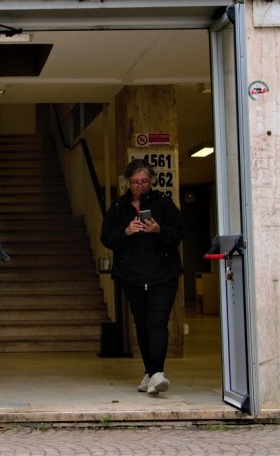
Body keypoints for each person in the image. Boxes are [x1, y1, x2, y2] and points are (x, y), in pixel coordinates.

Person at [101, 159, 185, 396]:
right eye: (136, 182)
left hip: (163, 274)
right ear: (128, 182)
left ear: (151, 181)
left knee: (157, 322)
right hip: (132, 275)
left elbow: (179, 232)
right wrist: (126, 232)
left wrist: (159, 231)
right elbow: (106, 237)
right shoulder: (118, 207)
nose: (140, 186)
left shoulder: (164, 203)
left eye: (145, 181)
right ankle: (150, 373)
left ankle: (157, 373)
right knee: (142, 323)